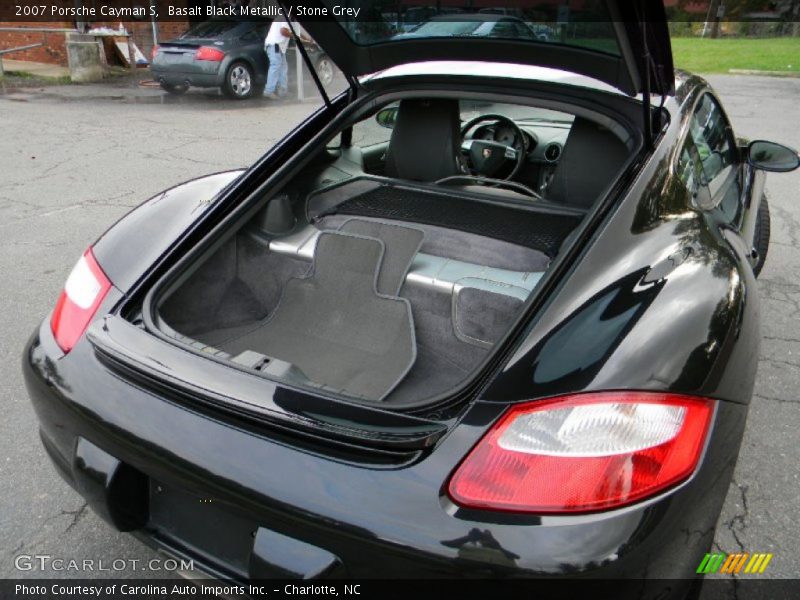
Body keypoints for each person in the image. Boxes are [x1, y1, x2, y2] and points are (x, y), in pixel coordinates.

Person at [264, 17, 311, 100]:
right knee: (276, 65)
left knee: (283, 67)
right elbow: (283, 31)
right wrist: (298, 38)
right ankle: (269, 91)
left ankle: (283, 92)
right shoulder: (285, 17)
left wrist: (306, 39)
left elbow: (295, 32)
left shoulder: (285, 17)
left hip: (277, 46)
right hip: (275, 45)